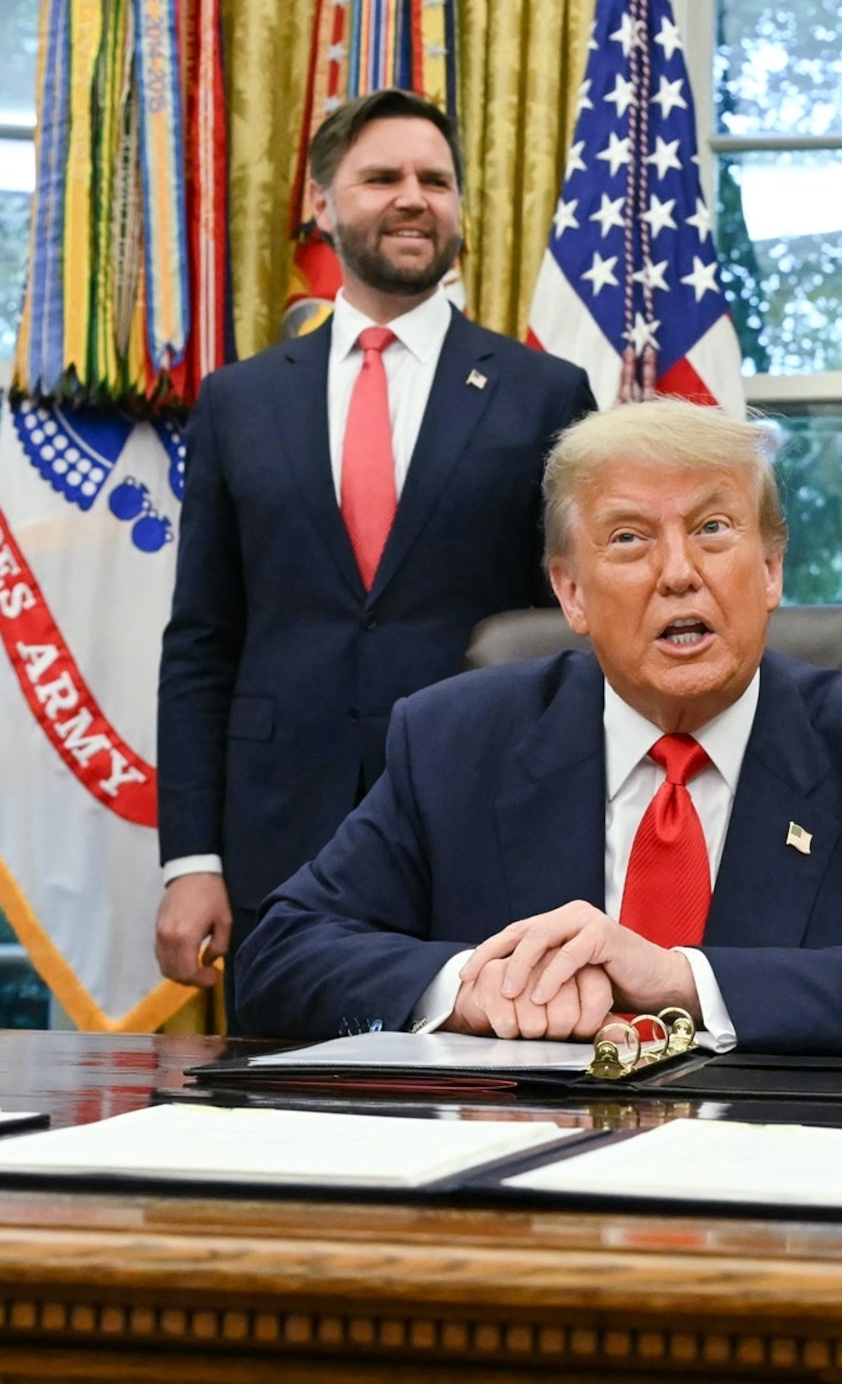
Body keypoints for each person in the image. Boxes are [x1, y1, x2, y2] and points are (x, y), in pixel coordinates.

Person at [241, 399, 842, 1053]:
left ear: (769, 571)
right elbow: (281, 957)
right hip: (522, 1195)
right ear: (572, 593)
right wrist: (469, 988)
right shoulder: (454, 741)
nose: (679, 573)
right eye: (629, 539)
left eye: (714, 530)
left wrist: (684, 981)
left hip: (785, 1191)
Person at [156, 90, 595, 1004]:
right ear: (322, 203)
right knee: (281, 1112)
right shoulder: (239, 401)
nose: (413, 197)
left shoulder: (544, 394)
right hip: (278, 833)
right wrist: (190, 860)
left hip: (480, 817)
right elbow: (202, 641)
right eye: (382, 177)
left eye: (436, 180)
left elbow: (574, 636)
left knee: (479, 1088)